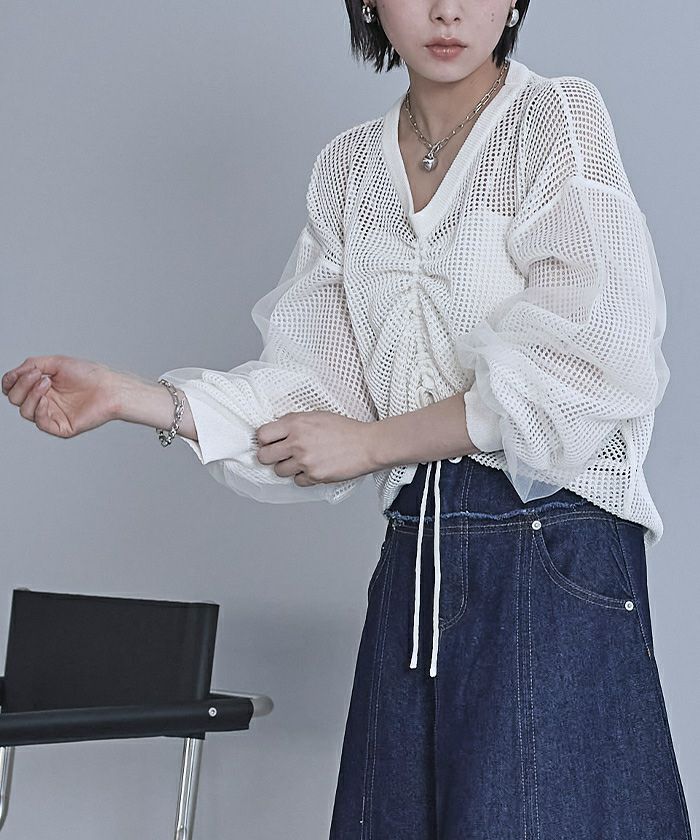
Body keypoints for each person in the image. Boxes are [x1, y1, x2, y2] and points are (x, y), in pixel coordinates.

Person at [2, 1, 693, 837]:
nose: (447, 9)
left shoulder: (554, 119)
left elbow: (592, 359)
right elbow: (310, 394)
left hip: (551, 548)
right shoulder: (349, 170)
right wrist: (134, 396)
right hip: (415, 557)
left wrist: (373, 444)